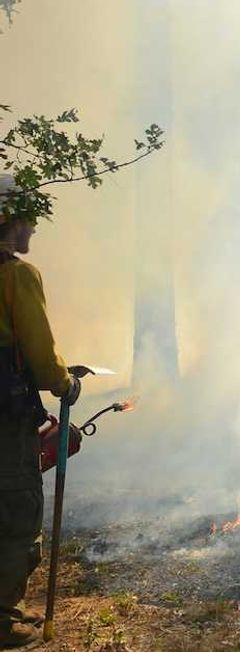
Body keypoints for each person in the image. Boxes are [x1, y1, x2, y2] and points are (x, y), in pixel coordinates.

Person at [0, 174, 79, 647]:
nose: (32, 231)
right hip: (4, 422)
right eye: (27, 221)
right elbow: (41, 354)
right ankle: (2, 621)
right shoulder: (16, 276)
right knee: (15, 510)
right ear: (7, 222)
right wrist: (64, 383)